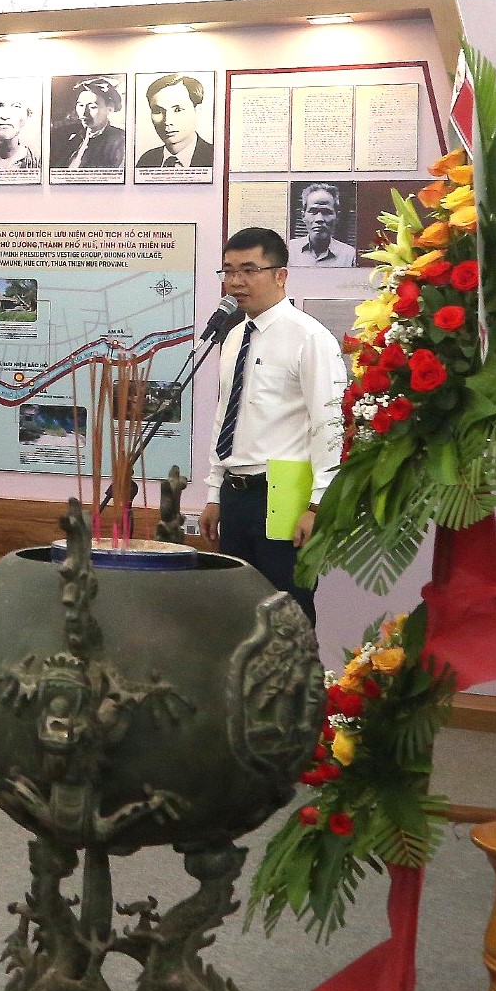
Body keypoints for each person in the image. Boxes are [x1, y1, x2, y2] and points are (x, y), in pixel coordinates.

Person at [199, 227, 347, 625]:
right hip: (235, 495)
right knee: (238, 615)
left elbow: (330, 424)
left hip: (283, 494)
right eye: (229, 271)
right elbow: (225, 416)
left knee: (287, 616)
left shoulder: (309, 337)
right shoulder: (233, 336)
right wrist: (214, 492)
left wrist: (318, 505)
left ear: (281, 275)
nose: (236, 282)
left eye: (249, 270)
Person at [136, 74, 214, 169]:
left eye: (178, 110)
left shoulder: (215, 156)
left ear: (197, 111)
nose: (167, 121)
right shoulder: (146, 161)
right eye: (158, 111)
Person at [54, 76, 127, 169]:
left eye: (92, 107)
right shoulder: (71, 136)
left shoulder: (120, 140)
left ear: (110, 109)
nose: (84, 112)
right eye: (80, 105)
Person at [291, 183, 357, 266]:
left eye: (326, 212)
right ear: (303, 215)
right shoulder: (289, 251)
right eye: (313, 211)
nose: (319, 219)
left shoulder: (349, 256)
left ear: (337, 216)